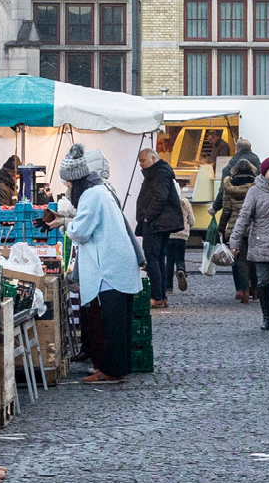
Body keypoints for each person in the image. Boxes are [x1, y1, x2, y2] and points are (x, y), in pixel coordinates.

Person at [66, 155, 144, 384]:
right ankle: (118, 367)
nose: (68, 189)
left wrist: (67, 224)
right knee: (120, 321)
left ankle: (111, 370)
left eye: (68, 184)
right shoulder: (102, 192)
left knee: (113, 322)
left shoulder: (92, 195)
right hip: (117, 264)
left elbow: (81, 231)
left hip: (109, 268)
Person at [226, 157, 269, 330]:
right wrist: (235, 241)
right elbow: (244, 217)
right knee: (263, 281)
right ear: (265, 173)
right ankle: (266, 316)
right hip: (261, 243)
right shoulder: (255, 192)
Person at [133, 146, 191, 309]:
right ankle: (161, 295)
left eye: (143, 160)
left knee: (153, 258)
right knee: (158, 258)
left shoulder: (159, 173)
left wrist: (147, 217)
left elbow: (160, 196)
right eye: (139, 161)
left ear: (153, 158)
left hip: (156, 223)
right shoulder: (160, 172)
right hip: (160, 222)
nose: (141, 164)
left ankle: (157, 296)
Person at [217, 142, 260, 304]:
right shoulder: (257, 188)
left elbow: (226, 211)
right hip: (254, 228)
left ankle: (243, 291)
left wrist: (221, 229)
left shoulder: (229, 188)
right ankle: (255, 290)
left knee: (240, 260)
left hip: (235, 228)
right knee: (254, 259)